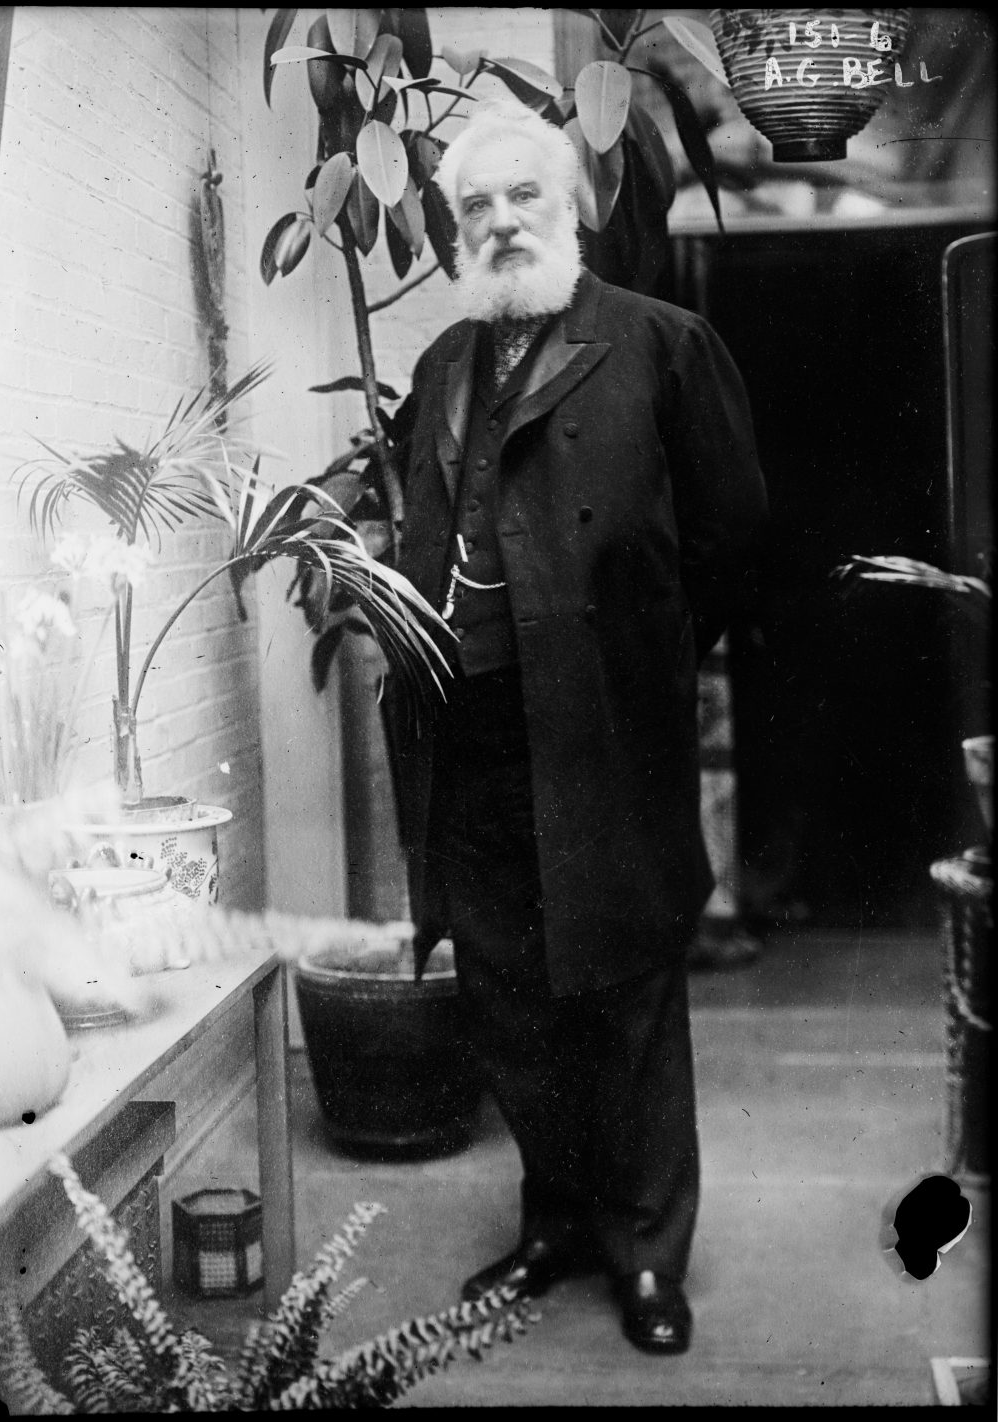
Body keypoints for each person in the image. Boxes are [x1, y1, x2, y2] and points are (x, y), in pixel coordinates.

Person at [383, 98, 768, 1355]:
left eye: (523, 197)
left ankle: (648, 1255)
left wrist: (640, 666)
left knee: (627, 991)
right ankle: (554, 1220)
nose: (501, 222)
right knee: (507, 989)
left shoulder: (661, 343)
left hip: (604, 728)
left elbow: (731, 540)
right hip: (470, 733)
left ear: (573, 208)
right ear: (458, 229)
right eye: (476, 206)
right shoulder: (441, 369)